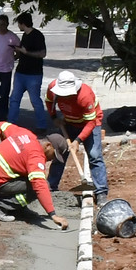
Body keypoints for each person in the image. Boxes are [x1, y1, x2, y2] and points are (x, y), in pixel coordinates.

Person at [0, 120, 70, 230]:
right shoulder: (36, 156)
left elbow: (2, 125)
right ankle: (0, 205)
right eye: (53, 155)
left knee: (29, 175)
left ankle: (17, 208)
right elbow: (40, 185)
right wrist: (53, 214)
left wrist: (10, 150)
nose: (51, 159)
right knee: (41, 185)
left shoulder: (26, 134)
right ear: (48, 146)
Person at [48, 73, 109, 202]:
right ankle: (51, 187)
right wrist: (54, 117)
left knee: (94, 155)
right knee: (59, 153)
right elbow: (48, 102)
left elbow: (91, 122)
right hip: (68, 122)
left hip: (90, 123)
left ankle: (101, 192)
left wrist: (77, 141)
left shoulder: (84, 96)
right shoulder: (53, 89)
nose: (65, 96)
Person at [9, 10, 50, 131]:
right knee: (14, 99)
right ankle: (11, 123)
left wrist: (26, 52)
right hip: (21, 72)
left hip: (34, 74)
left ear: (23, 23)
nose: (18, 26)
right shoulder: (25, 35)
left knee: (35, 100)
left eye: (19, 24)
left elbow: (42, 54)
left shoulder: (37, 35)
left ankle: (41, 125)